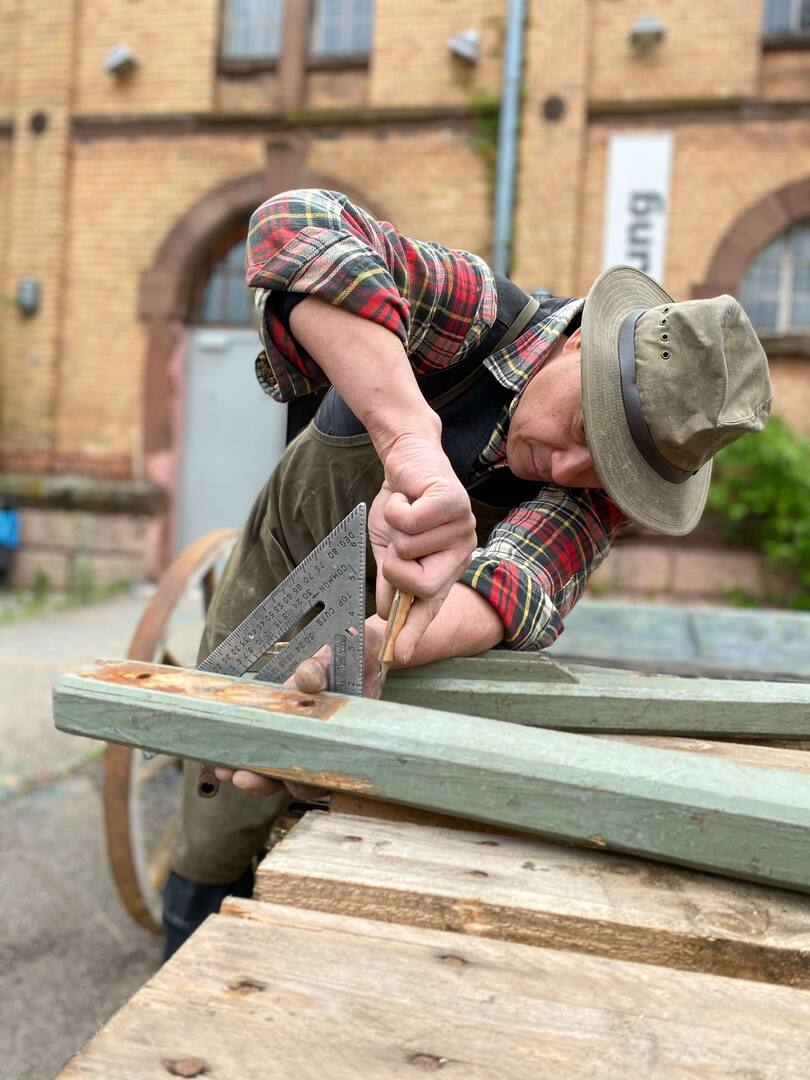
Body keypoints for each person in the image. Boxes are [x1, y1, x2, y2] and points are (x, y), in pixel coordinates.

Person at [161, 188, 773, 957]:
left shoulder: (596, 496)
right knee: (223, 804)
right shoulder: (478, 315)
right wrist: (409, 434)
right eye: (584, 427)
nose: (569, 466)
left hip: (410, 644)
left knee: (359, 840)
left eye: (606, 470)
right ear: (581, 343)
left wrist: (395, 642)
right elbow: (296, 224)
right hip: (286, 566)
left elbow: (520, 583)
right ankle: (184, 937)